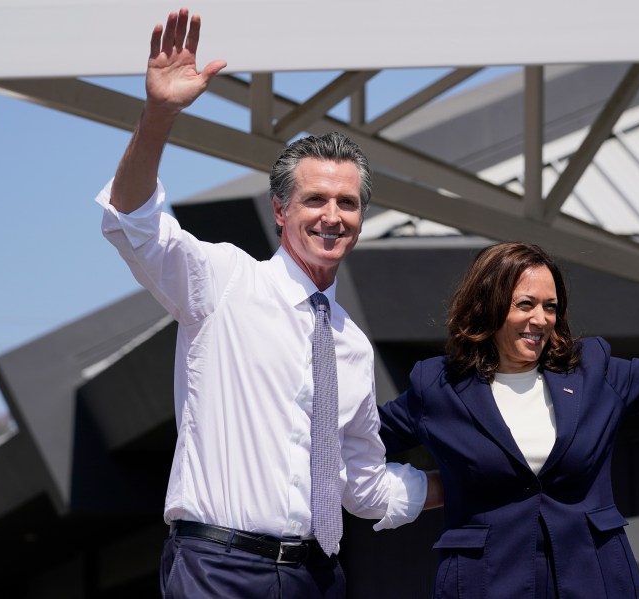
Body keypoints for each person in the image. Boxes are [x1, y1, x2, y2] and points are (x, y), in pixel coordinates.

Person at [96, 8, 436, 599]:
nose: (332, 216)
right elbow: (133, 224)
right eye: (315, 200)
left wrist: (472, 474)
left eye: (348, 204)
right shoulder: (226, 281)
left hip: (318, 576)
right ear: (281, 211)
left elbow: (362, 486)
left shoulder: (351, 343)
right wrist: (157, 117)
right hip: (217, 568)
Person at [378, 180, 639, 599]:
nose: (542, 318)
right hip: (484, 584)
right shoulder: (437, 387)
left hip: (595, 581)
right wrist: (415, 490)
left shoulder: (594, 373)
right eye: (525, 304)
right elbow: (353, 440)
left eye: (550, 306)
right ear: (488, 308)